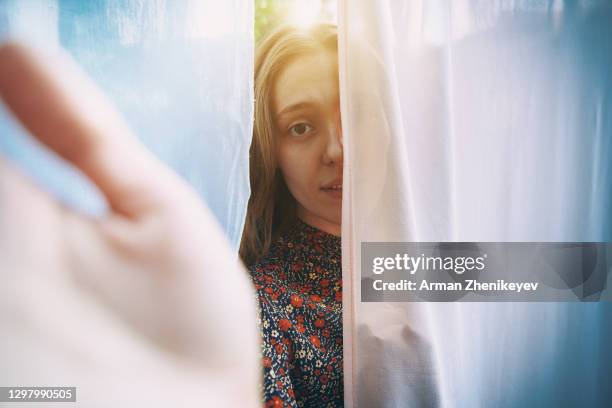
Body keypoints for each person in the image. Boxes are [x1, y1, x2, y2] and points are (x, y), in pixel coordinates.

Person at [240, 23, 344, 407]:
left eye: (355, 112)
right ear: (272, 154)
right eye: (301, 127)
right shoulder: (264, 308)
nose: (336, 149)